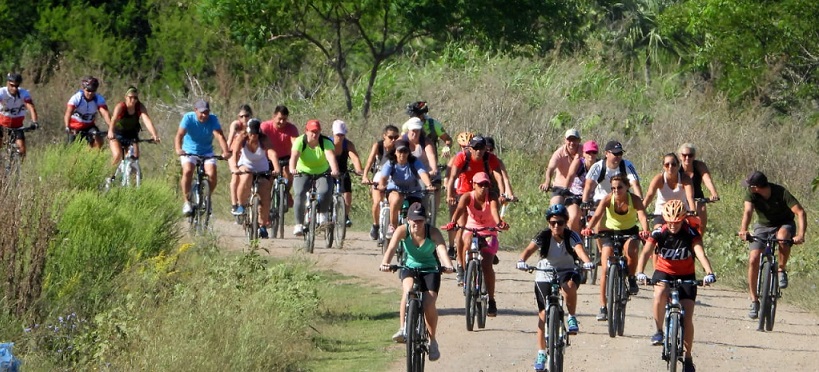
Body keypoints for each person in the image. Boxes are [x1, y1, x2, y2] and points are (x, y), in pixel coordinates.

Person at [636, 199, 717, 372]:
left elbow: (700, 253)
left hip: (687, 275)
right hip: (664, 271)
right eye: (670, 222)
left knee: (687, 316)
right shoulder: (659, 233)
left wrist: (709, 273)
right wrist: (640, 271)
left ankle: (688, 358)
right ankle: (659, 331)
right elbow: (646, 252)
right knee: (660, 294)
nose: (673, 226)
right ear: (665, 220)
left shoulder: (691, 233)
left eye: (677, 222)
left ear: (683, 220)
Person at [517, 204, 594, 371]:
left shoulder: (571, 236)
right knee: (543, 314)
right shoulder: (543, 236)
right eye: (553, 223)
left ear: (566, 222)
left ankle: (571, 316)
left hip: (567, 271)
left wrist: (587, 262)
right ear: (548, 223)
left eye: (560, 222)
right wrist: (521, 261)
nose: (556, 226)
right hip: (544, 272)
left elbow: (579, 250)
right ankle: (541, 353)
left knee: (569, 286)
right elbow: (529, 249)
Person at [379, 202, 455, 362]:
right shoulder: (402, 230)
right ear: (408, 220)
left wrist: (448, 265)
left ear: (425, 220)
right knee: (407, 292)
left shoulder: (432, 232)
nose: (417, 224)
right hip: (409, 267)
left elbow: (441, 249)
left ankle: (432, 340)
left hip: (431, 269)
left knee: (428, 303)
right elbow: (392, 247)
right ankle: (403, 329)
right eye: (414, 220)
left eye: (420, 220)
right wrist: (385, 263)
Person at [737, 171, 806, 318]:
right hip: (763, 226)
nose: (748, 188)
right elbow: (748, 212)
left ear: (757, 186)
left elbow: (800, 212)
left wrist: (800, 235)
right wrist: (743, 230)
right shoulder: (751, 194)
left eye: (750, 185)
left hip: (784, 224)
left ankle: (781, 269)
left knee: (782, 238)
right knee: (753, 258)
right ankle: (754, 300)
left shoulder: (780, 193)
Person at [582, 175, 650, 320]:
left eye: (619, 187)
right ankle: (603, 307)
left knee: (632, 250)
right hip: (609, 232)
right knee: (605, 268)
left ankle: (631, 278)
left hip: (629, 230)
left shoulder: (635, 200)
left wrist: (645, 230)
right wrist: (588, 228)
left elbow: (643, 216)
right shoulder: (608, 199)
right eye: (613, 188)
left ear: (627, 187)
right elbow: (597, 215)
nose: (616, 191)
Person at [443, 172, 509, 315]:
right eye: (480, 184)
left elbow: (494, 211)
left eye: (486, 185)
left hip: (489, 232)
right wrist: (453, 223)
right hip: (471, 230)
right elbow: (459, 210)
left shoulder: (491, 197)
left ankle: (491, 300)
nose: (483, 188)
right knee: (465, 242)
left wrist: (499, 224)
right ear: (473, 184)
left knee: (487, 265)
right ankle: (467, 273)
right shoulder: (467, 197)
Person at [446, 135, 508, 284]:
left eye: (481, 148)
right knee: (462, 229)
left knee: (492, 220)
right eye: (476, 148)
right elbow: (452, 176)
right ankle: (461, 267)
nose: (479, 151)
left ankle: (489, 248)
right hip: (464, 193)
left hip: (484, 191)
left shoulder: (489, 158)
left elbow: (499, 177)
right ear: (470, 148)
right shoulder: (462, 157)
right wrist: (450, 195)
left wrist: (503, 194)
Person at [174, 99, 231, 215]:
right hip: (189, 151)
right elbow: (179, 135)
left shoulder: (213, 119)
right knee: (188, 171)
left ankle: (206, 198)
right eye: (202, 112)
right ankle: (187, 202)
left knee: (212, 174)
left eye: (206, 112)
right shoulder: (188, 118)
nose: (204, 115)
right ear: (195, 110)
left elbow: (219, 136)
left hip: (207, 151)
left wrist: (226, 152)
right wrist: (178, 149)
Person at [228, 118, 282, 238]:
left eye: (256, 133)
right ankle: (241, 205)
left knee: (265, 192)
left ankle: (262, 225)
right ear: (247, 132)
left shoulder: (264, 139)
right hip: (245, 165)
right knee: (246, 176)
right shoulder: (241, 138)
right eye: (252, 133)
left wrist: (277, 168)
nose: (254, 136)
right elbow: (235, 153)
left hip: (261, 167)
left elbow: (272, 153)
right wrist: (234, 168)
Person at [289, 119, 340, 236]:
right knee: (299, 193)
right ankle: (299, 224)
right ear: (306, 131)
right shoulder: (299, 141)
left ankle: (323, 214)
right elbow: (294, 157)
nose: (314, 134)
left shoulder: (325, 142)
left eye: (317, 132)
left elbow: (331, 157)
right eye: (312, 131)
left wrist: (334, 170)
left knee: (325, 191)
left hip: (322, 172)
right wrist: (292, 168)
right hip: (303, 172)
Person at [377, 139, 435, 238]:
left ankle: (416, 234)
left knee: (417, 209)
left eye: (405, 151)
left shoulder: (414, 162)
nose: (402, 154)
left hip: (413, 192)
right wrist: (381, 185)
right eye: (400, 151)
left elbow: (422, 173)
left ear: (409, 152)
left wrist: (429, 185)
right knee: (397, 198)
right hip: (395, 190)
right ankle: (392, 225)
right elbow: (384, 177)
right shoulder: (391, 163)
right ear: (395, 152)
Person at [540, 128, 584, 231]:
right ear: (565, 140)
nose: (572, 143)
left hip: (579, 188)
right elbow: (550, 168)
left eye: (574, 140)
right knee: (555, 210)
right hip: (560, 187)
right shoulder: (559, 153)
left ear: (579, 140)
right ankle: (551, 237)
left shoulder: (584, 151)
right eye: (569, 140)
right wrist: (547, 182)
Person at [362, 125, 400, 240]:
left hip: (393, 175)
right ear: (384, 136)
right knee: (377, 201)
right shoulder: (378, 146)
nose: (393, 140)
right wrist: (365, 176)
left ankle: (393, 226)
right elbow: (369, 161)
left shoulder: (399, 147)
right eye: (390, 137)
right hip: (379, 174)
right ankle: (375, 225)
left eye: (396, 137)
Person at [107, 86, 160, 167]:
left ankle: (133, 177)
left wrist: (154, 134)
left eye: (135, 98)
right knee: (118, 155)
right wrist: (110, 131)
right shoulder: (121, 106)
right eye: (130, 97)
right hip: (117, 135)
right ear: (126, 97)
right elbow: (113, 119)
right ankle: (109, 175)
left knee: (135, 158)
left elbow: (147, 120)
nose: (133, 100)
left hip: (131, 136)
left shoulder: (139, 107)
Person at [261, 105, 300, 211]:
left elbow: (295, 143)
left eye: (284, 119)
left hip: (285, 157)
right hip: (268, 157)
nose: (282, 122)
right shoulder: (265, 127)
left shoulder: (291, 128)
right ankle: (266, 208)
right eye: (280, 119)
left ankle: (286, 193)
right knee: (267, 184)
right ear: (274, 116)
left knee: (289, 173)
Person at [643, 153, 696, 229]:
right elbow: (649, 196)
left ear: (678, 165)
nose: (670, 167)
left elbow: (690, 197)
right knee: (657, 233)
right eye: (667, 165)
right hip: (662, 213)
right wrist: (641, 210)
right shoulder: (659, 179)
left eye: (673, 164)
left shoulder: (685, 178)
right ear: (663, 166)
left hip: (681, 213)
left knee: (691, 233)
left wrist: (693, 212)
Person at [678, 143, 720, 233]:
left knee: (701, 208)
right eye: (684, 155)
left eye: (690, 155)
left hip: (698, 198)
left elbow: (707, 179)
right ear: (680, 156)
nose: (687, 158)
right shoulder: (677, 168)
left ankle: (698, 238)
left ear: (694, 156)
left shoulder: (699, 165)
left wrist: (713, 193)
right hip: (682, 199)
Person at [331, 119, 364, 226]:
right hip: (329, 171)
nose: (340, 137)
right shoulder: (328, 143)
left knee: (347, 192)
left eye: (342, 134)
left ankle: (345, 216)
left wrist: (358, 169)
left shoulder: (348, 144)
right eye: (338, 134)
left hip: (343, 171)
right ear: (333, 133)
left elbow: (354, 157)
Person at [64, 76, 112, 148]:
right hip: (75, 126)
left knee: (98, 139)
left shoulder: (98, 99)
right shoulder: (77, 97)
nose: (90, 93)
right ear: (83, 89)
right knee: (70, 147)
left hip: (89, 126)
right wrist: (67, 126)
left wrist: (111, 127)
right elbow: (68, 113)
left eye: (93, 91)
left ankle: (94, 156)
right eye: (88, 90)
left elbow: (105, 114)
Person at [0, 73, 39, 158]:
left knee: (22, 151)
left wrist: (34, 121)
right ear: (7, 83)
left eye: (16, 86)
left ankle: (18, 169)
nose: (14, 88)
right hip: (2, 125)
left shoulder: (23, 93)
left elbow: (30, 107)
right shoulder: (2, 92)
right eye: (12, 85)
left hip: (17, 127)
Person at [228, 104, 254, 215]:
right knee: (235, 178)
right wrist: (226, 150)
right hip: (235, 153)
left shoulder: (253, 125)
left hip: (247, 155)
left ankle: (246, 200)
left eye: (246, 116)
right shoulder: (236, 125)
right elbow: (230, 139)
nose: (244, 119)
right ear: (238, 117)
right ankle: (235, 205)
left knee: (248, 179)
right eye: (241, 116)